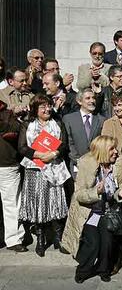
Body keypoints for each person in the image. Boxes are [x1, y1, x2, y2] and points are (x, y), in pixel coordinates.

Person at [61, 135, 122, 283]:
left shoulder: (118, 163)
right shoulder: (87, 164)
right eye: (111, 149)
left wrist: (121, 192)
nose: (116, 152)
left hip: (107, 212)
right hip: (89, 212)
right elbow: (79, 194)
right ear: (102, 151)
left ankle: (103, 270)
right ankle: (83, 271)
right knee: (93, 243)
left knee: (107, 243)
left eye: (115, 148)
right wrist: (96, 192)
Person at [18, 94, 71, 257]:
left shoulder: (57, 123)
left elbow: (64, 144)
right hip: (35, 169)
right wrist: (40, 155)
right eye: (43, 107)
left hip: (54, 168)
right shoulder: (28, 124)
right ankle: (40, 240)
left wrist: (53, 153)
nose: (47, 109)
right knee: (38, 204)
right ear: (35, 109)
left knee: (55, 202)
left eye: (48, 106)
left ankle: (58, 237)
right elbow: (22, 147)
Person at [0, 100, 26, 252]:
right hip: (7, 164)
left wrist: (15, 115)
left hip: (7, 164)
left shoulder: (7, 112)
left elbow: (17, 128)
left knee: (12, 204)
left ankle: (14, 239)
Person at [63, 88, 106, 178]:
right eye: (88, 98)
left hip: (96, 166)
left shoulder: (101, 120)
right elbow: (69, 143)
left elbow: (103, 143)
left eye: (93, 98)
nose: (92, 101)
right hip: (76, 166)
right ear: (79, 101)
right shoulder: (69, 119)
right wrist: (79, 161)